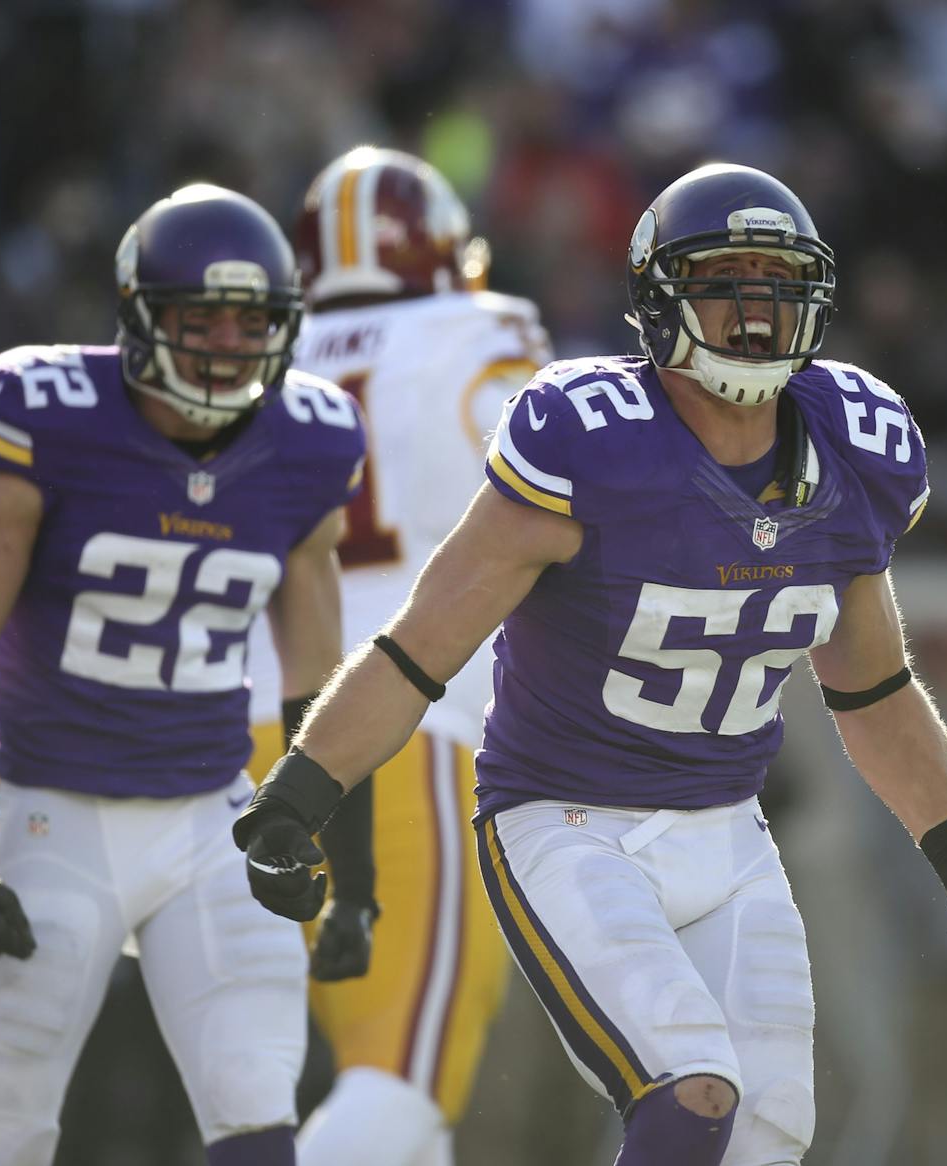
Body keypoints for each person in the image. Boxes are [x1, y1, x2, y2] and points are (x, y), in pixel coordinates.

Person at [233, 162, 947, 1166]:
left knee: (765, 1130)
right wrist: (299, 793)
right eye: (725, 278)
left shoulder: (856, 446)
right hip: (566, 823)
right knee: (688, 1090)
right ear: (659, 298)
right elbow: (417, 649)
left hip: (728, 833)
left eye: (776, 278)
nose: (755, 307)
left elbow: (872, 687)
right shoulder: (588, 443)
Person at [0, 183, 367, 1166]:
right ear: (141, 317)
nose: (231, 345)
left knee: (256, 1109)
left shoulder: (308, 437)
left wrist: (352, 877)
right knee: (1, 1133)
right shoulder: (45, 414)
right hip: (53, 817)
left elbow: (317, 683)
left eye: (254, 322)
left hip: (211, 818)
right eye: (204, 319)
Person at [244, 145, 552, 1166]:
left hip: (234, 736)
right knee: (403, 1084)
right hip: (397, 733)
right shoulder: (484, 328)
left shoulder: (253, 358)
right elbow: (563, 510)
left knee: (388, 1118)